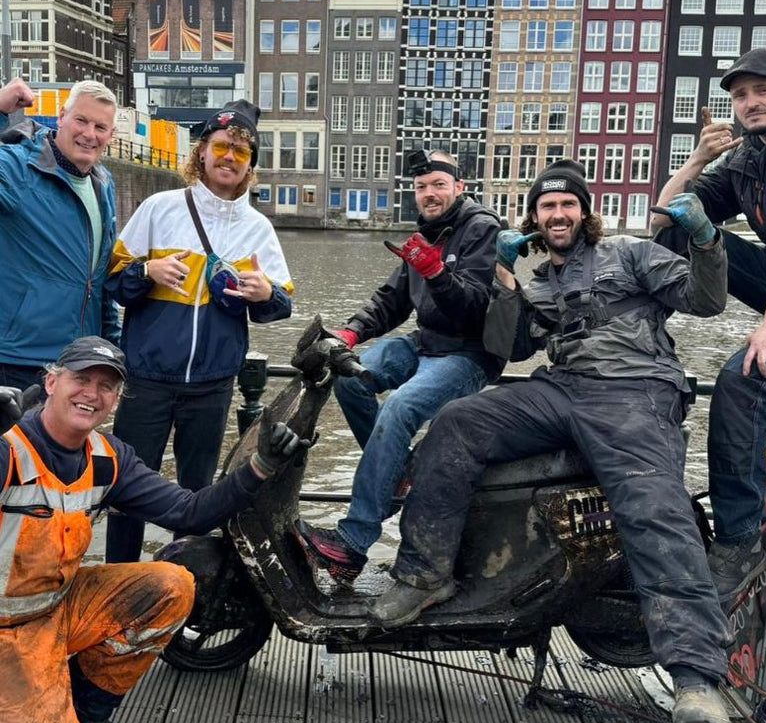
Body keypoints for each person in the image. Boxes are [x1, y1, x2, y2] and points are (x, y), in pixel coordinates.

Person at [369, 159, 734, 723]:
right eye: (547, 206)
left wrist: (707, 241)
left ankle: (695, 678)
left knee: (653, 509)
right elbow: (508, 349)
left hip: (635, 392)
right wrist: (505, 278)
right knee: (459, 421)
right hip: (563, 390)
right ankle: (424, 574)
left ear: (584, 213)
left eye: (567, 204)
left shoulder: (631, 254)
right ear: (535, 218)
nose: (558, 214)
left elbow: (705, 300)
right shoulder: (536, 278)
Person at [0, 336, 306, 723]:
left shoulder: (108, 456)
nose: (92, 393)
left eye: (107, 386)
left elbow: (190, 512)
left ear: (116, 399)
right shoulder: (7, 449)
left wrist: (260, 467)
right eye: (81, 378)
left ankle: (85, 713)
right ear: (52, 381)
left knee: (170, 586)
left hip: (58, 603)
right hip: (7, 633)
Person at [295, 149, 504, 582]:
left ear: (459, 187)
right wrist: (349, 334)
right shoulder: (425, 232)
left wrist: (437, 273)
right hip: (426, 342)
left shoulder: (482, 228)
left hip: (469, 353)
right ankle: (399, 474)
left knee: (399, 408)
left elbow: (474, 307)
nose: (429, 194)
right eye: (421, 187)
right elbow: (391, 300)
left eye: (438, 185)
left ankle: (352, 544)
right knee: (350, 378)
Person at [103, 99, 292, 564]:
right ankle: (118, 578)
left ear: (250, 164)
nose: (229, 157)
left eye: (241, 152)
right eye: (222, 146)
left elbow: (281, 307)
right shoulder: (159, 208)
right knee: (126, 489)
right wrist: (147, 271)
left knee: (198, 492)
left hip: (212, 383)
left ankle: (184, 584)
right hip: (147, 379)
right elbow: (114, 282)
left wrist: (264, 292)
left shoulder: (258, 229)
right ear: (202, 150)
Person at [652, 47, 766, 608]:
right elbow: (664, 218)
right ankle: (640, 343)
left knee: (744, 378)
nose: (750, 102)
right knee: (682, 230)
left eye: (762, 90)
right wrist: (695, 160)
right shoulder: (748, 157)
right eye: (740, 95)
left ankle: (739, 541)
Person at [0, 77, 121, 390]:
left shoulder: (103, 183)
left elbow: (99, 278)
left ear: (111, 135)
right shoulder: (18, 168)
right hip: (18, 360)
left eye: (100, 127)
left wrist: (112, 347)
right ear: (62, 117)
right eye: (81, 120)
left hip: (77, 363)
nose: (89, 134)